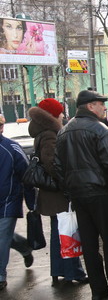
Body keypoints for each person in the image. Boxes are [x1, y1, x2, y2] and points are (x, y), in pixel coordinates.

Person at [54, 90, 108, 300]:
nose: (104, 107)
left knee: (89, 245)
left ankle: (98, 291)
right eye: (100, 104)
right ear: (90, 106)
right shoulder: (99, 129)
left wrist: (70, 188)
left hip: (78, 195)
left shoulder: (64, 131)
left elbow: (58, 166)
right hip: (99, 193)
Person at [28, 98, 88, 286]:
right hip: (57, 192)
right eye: (60, 112)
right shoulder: (49, 134)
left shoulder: (43, 132)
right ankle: (72, 272)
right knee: (66, 232)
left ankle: (60, 271)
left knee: (59, 232)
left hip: (50, 193)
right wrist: (66, 180)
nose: (63, 115)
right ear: (53, 115)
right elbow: (52, 163)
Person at [0, 114, 36, 290]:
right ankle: (25, 247)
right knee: (4, 237)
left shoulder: (11, 147)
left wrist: (32, 202)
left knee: (1, 237)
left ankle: (0, 276)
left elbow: (27, 175)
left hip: (8, 201)